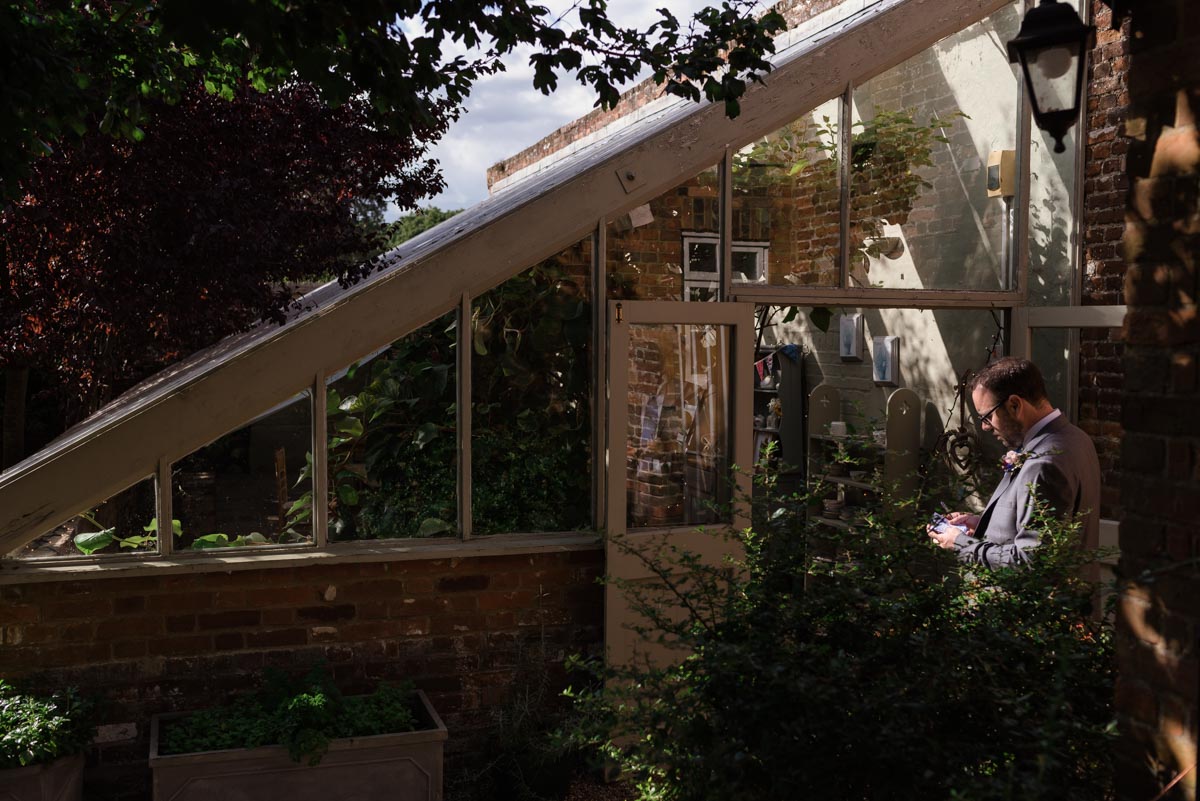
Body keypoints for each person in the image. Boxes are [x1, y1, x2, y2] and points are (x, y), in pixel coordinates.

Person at [928, 357, 1101, 568]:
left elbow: (1029, 560)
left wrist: (961, 544)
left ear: (1014, 405)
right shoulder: (1077, 437)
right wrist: (983, 524)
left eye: (987, 417)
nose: (985, 427)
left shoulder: (1043, 462)